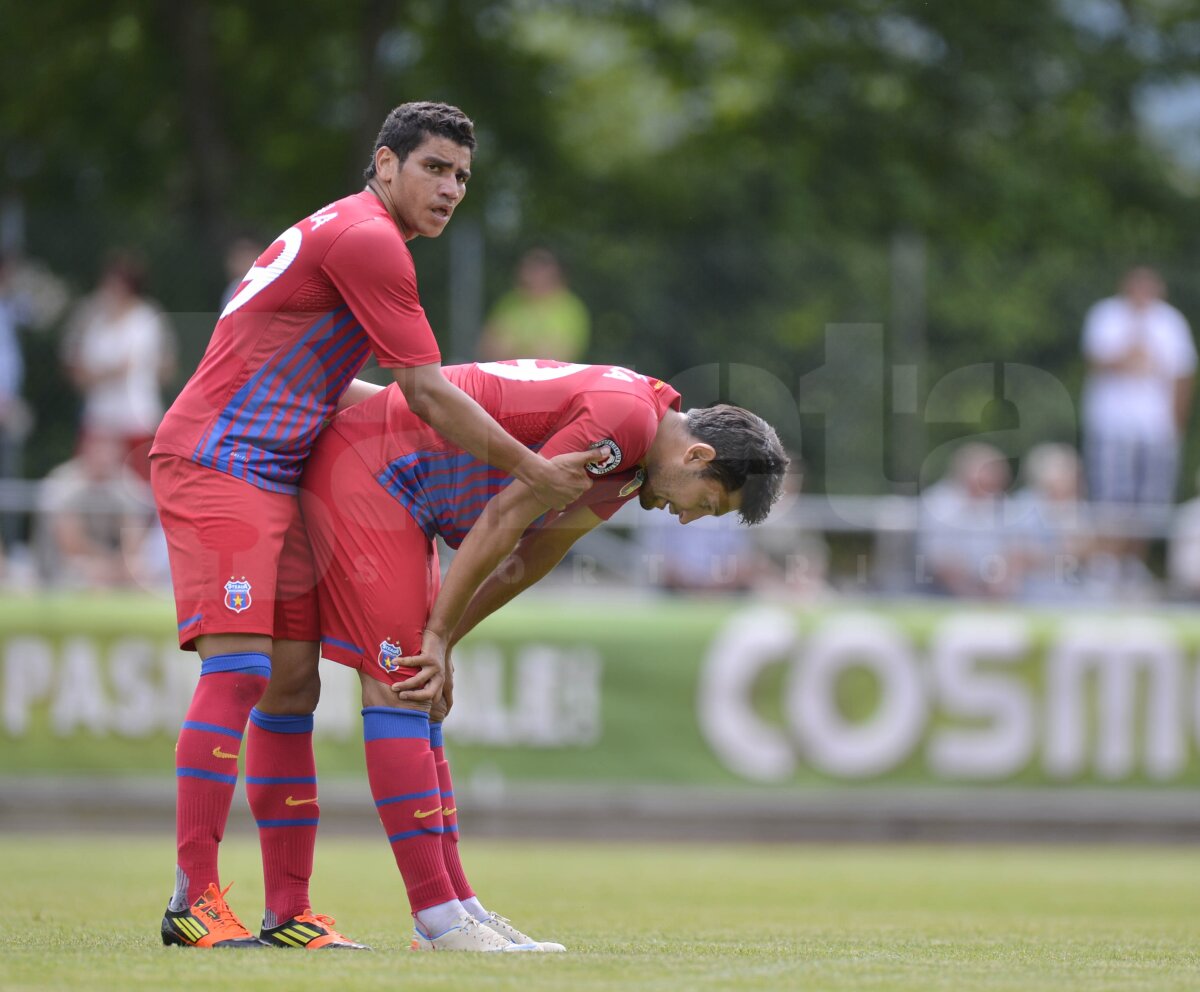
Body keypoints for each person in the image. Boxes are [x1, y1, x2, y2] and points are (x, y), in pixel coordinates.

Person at [149, 103, 596, 950]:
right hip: (221, 460)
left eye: (462, 176)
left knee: (291, 687)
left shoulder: (354, 234)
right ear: (385, 164)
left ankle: (287, 915)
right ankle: (192, 899)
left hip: (277, 468)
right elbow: (423, 390)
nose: (451, 188)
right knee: (240, 669)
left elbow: (363, 391)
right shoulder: (370, 240)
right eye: (434, 168)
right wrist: (529, 468)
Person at [298, 358, 789, 951]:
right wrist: (436, 636)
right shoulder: (627, 422)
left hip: (401, 484)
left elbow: (536, 554)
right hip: (373, 469)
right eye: (705, 504)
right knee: (401, 684)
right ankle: (437, 917)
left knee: (422, 692)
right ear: (698, 455)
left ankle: (457, 907)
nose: (687, 518)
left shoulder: (635, 456)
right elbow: (507, 514)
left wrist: (447, 639)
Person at [1081, 267, 1196, 518]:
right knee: (1111, 496)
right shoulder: (1106, 314)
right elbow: (1096, 361)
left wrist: (1177, 424)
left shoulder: (1171, 321)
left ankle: (1141, 545)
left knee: (1153, 499)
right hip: (1112, 425)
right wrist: (1131, 350)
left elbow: (1183, 375)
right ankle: (1110, 544)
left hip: (1157, 427)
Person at [61, 251, 177, 480]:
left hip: (137, 418)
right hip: (100, 419)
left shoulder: (148, 318)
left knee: (141, 485)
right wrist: (108, 373)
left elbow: (166, 368)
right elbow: (76, 368)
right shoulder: (91, 316)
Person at [34, 431, 156, 588]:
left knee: (137, 570)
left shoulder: (126, 481)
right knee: (93, 573)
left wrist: (120, 563)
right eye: (99, 447)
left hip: (111, 560)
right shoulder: (63, 482)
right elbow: (70, 542)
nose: (104, 454)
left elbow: (134, 534)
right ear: (86, 449)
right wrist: (109, 562)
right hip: (63, 562)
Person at [916, 443, 1016, 599]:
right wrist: (971, 594)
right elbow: (939, 560)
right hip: (940, 592)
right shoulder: (938, 504)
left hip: (993, 593)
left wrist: (1000, 584)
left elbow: (1014, 550)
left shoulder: (1001, 504)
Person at [477, 248, 591, 362]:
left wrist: (513, 349)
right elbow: (488, 349)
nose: (529, 274)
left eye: (539, 268)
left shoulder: (570, 309)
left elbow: (557, 357)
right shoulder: (509, 302)